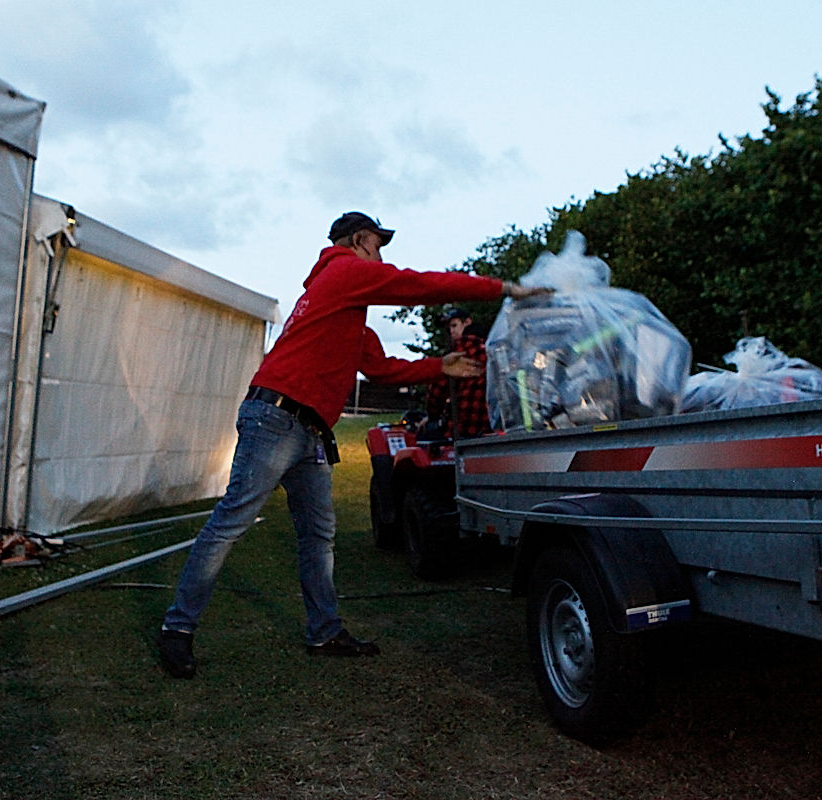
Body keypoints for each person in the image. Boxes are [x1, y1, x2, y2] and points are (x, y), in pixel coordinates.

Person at [157, 211, 549, 678]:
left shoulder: (344, 305)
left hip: (308, 430)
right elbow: (419, 284)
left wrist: (436, 366)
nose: (381, 257)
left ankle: (324, 631)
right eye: (378, 246)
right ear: (361, 241)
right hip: (277, 419)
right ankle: (177, 630)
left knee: (319, 536)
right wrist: (502, 288)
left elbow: (381, 369)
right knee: (231, 523)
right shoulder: (343, 271)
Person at [424, 309, 492, 440]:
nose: (451, 331)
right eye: (449, 327)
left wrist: (432, 416)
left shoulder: (460, 350)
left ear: (467, 322)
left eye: (454, 325)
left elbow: (438, 391)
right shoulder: (492, 347)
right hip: (492, 424)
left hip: (466, 425)